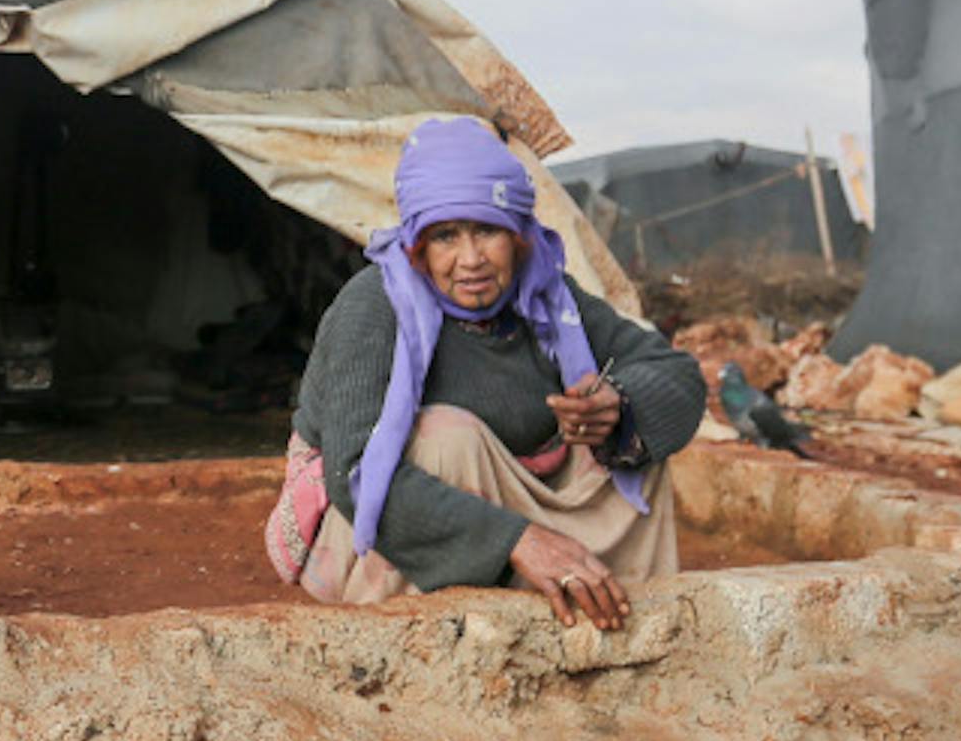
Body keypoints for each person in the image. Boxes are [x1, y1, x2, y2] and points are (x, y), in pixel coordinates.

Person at [267, 118, 704, 630]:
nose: (470, 259)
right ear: (418, 248)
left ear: (518, 238)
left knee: (639, 432)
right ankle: (420, 638)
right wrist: (517, 540)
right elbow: (356, 474)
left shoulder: (547, 295)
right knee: (448, 438)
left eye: (487, 231)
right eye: (446, 236)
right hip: (375, 529)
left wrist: (618, 406)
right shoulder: (373, 306)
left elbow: (675, 373)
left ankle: (623, 622)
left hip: (508, 505)